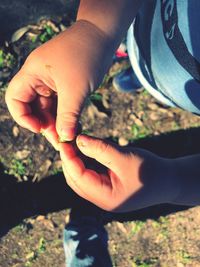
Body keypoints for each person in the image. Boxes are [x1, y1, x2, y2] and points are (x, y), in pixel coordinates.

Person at [5, 0, 200, 266]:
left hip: (169, 72)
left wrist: (175, 180)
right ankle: (133, 60)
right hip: (147, 23)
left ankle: (139, 68)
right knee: (145, 49)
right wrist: (95, 29)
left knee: (151, 64)